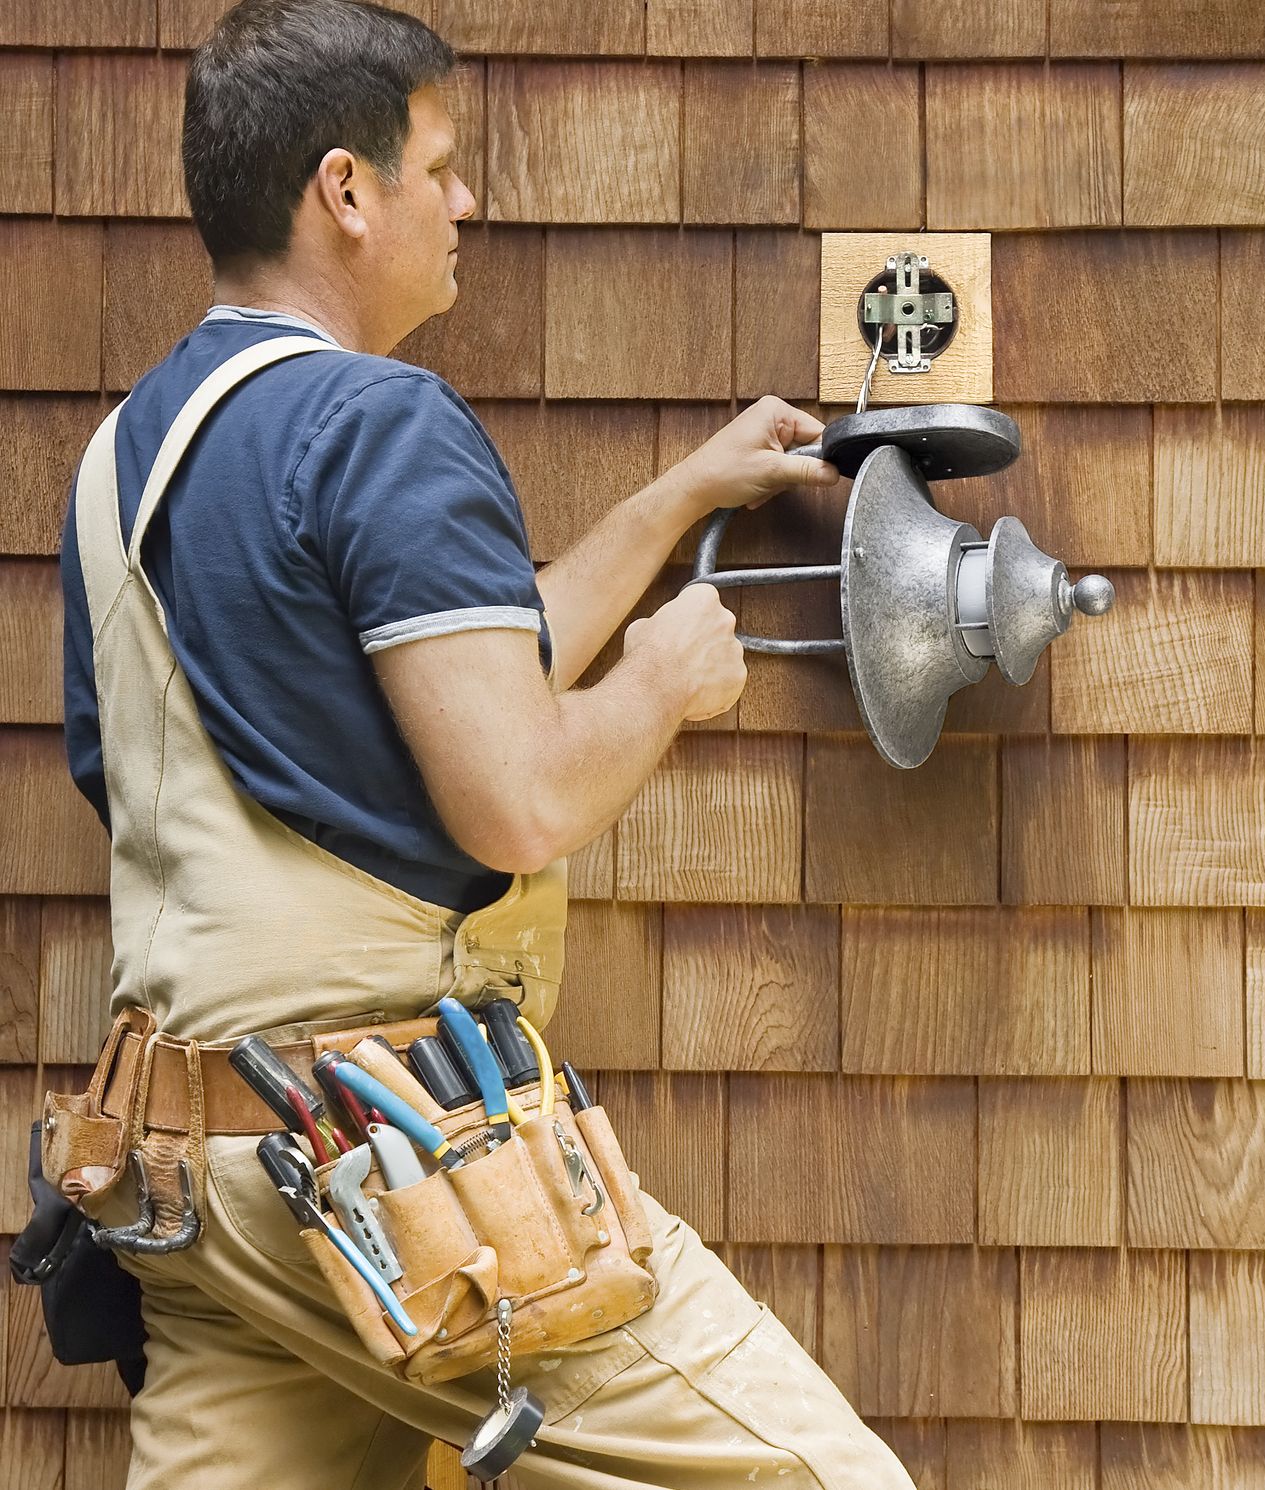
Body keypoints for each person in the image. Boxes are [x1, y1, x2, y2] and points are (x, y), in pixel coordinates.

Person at [56, 1, 920, 1485]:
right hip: (384, 1160)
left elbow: (452, 659)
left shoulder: (131, 451)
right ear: (346, 188)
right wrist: (660, 681)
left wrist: (670, 502)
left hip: (186, 1173)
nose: (467, 202)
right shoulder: (381, 422)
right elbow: (514, 791)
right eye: (442, 166)